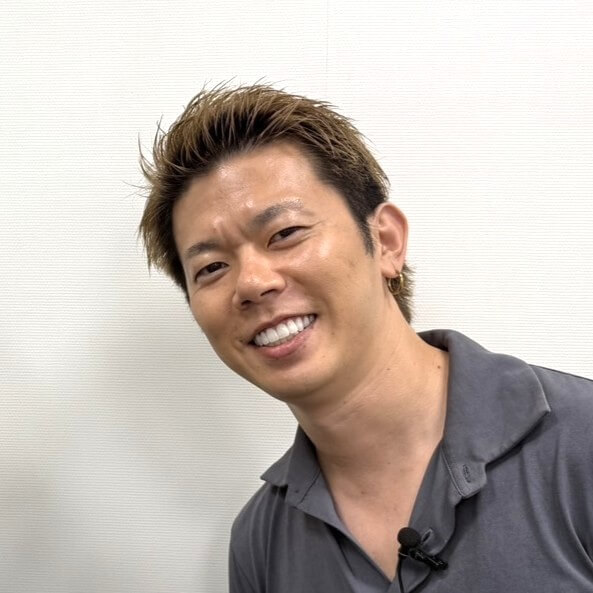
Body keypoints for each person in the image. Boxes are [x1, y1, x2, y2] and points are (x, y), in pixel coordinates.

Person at [138, 84, 593, 592]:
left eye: (285, 233)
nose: (252, 282)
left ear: (386, 241)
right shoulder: (259, 542)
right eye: (211, 268)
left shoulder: (580, 442)